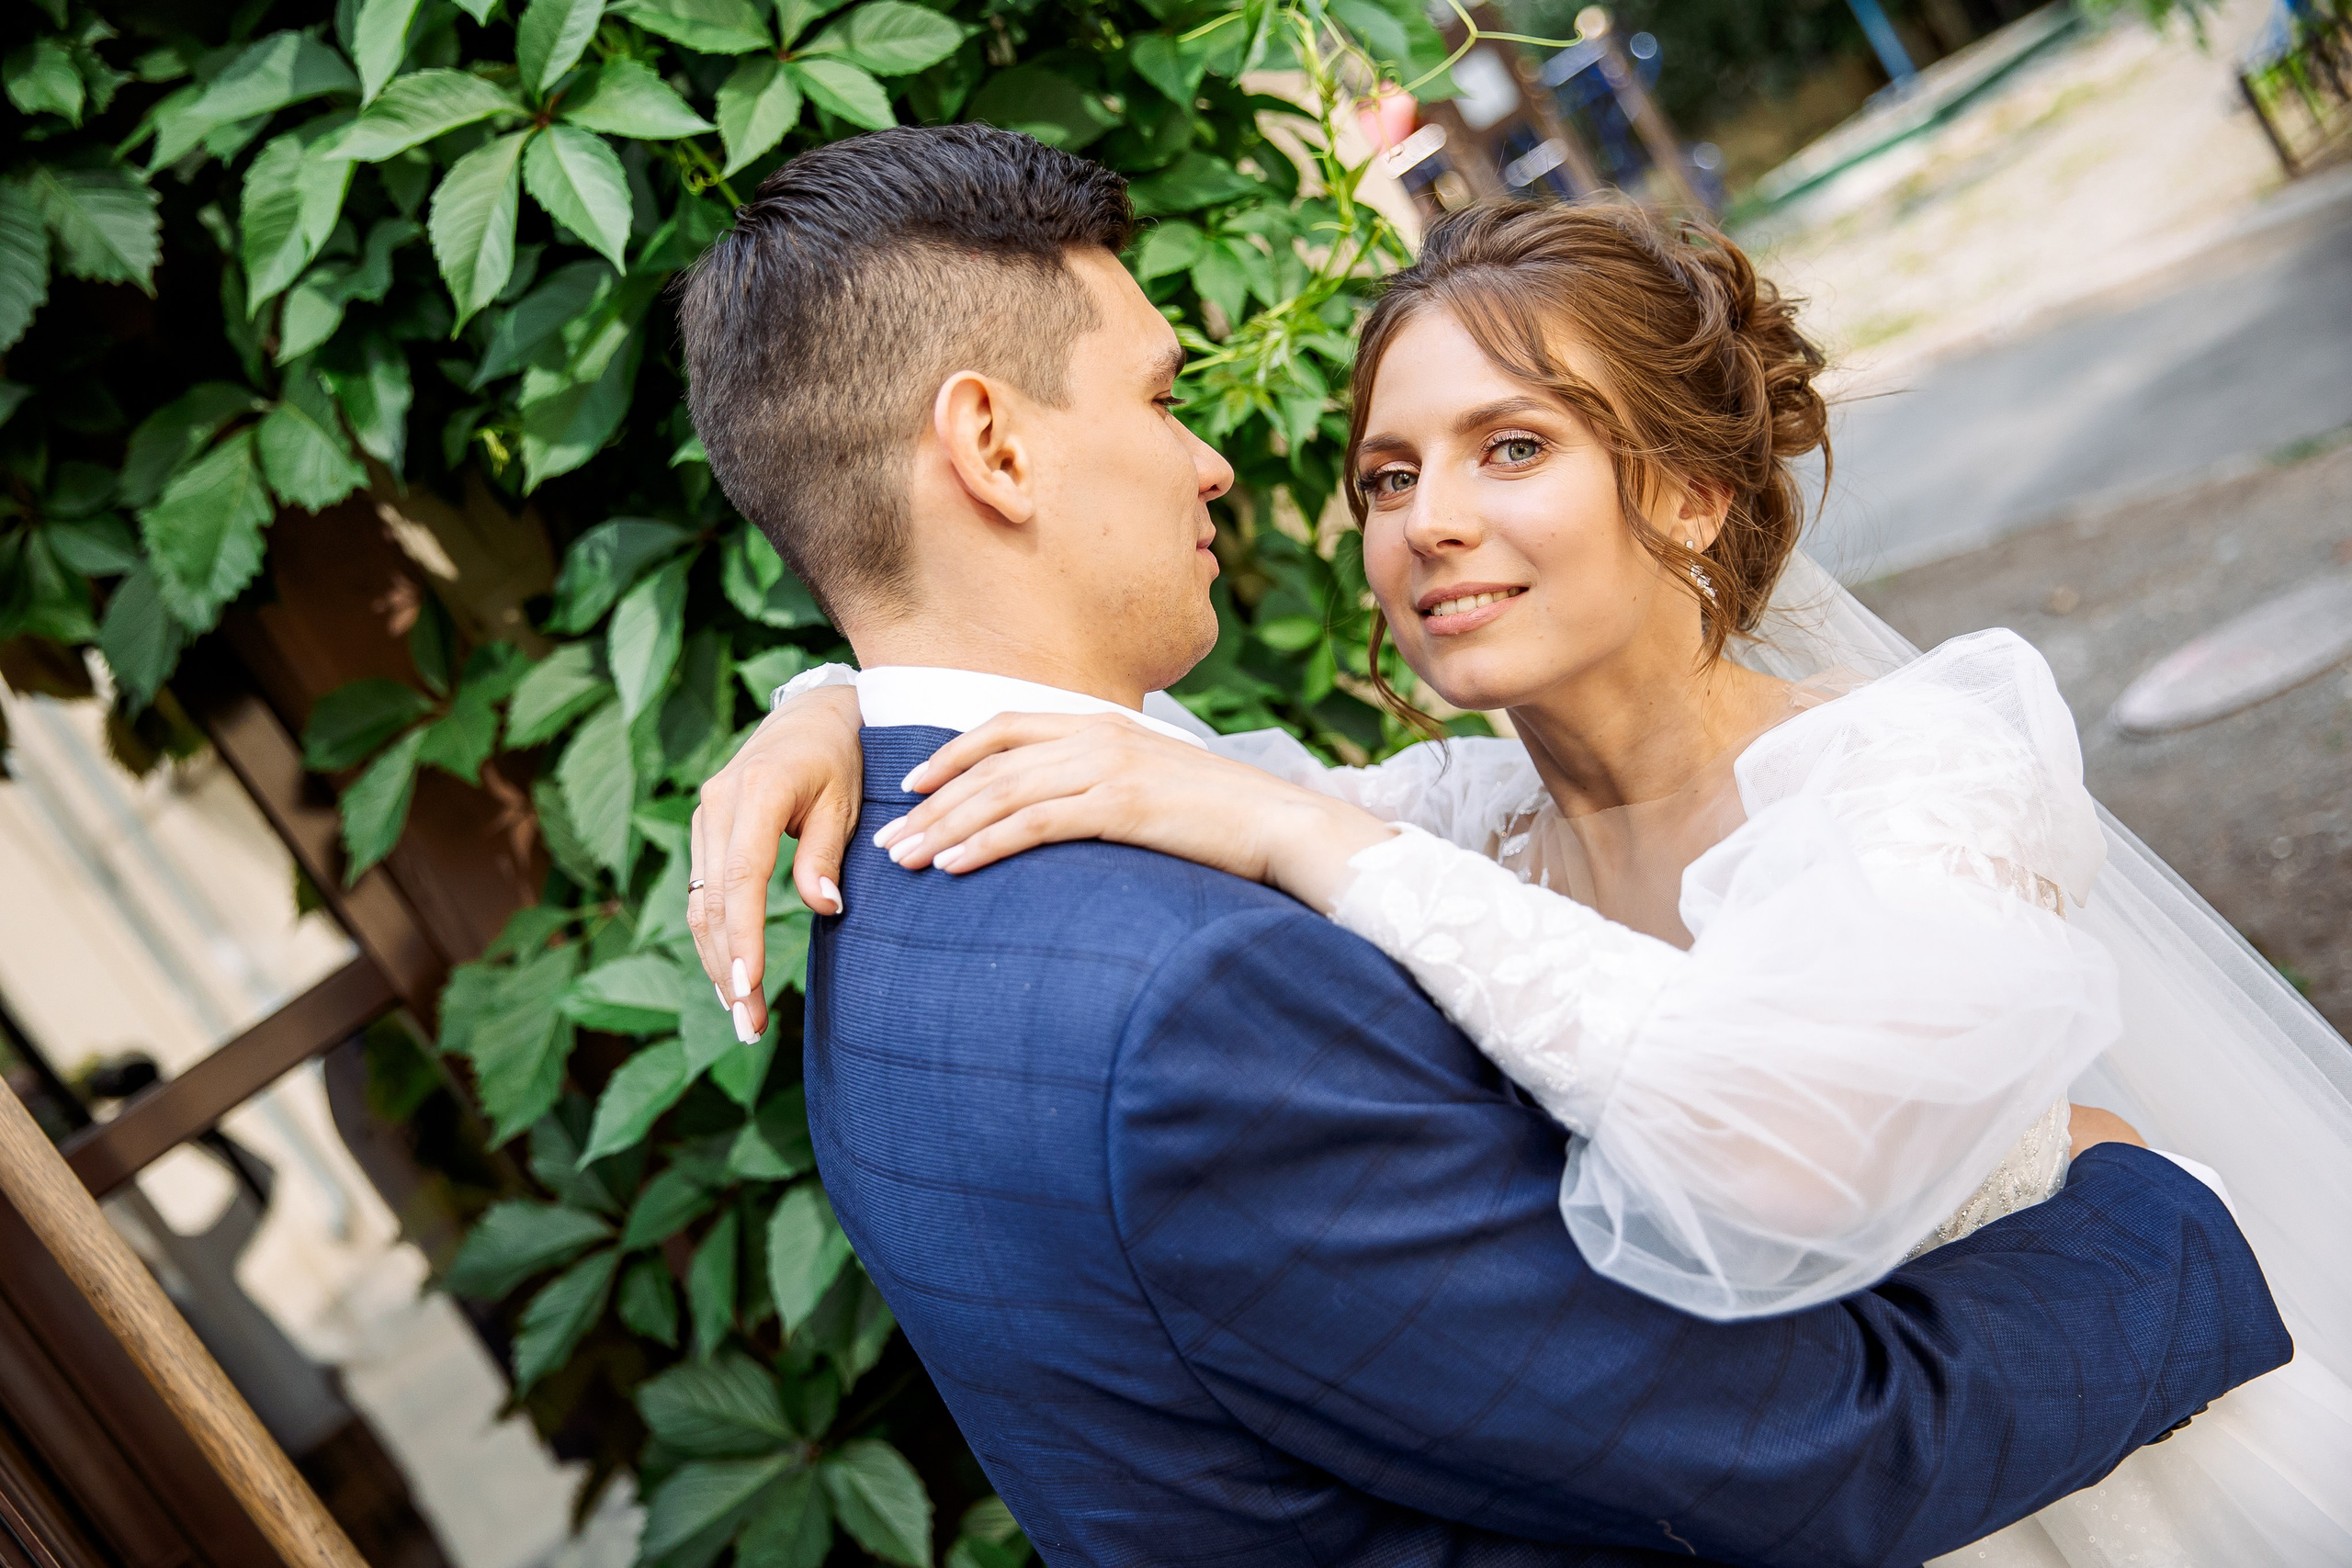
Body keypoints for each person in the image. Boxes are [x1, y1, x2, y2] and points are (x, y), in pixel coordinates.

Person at [677, 126, 2292, 1566]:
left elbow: (1779, 1145)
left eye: (1511, 447)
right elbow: (1156, 775)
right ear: (992, 447)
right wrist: (833, 700)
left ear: (1690, 490)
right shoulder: (1417, 835)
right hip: (1919, 1446)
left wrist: (853, 698)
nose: (1423, 518)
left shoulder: (1904, 769)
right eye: (1390, 475)